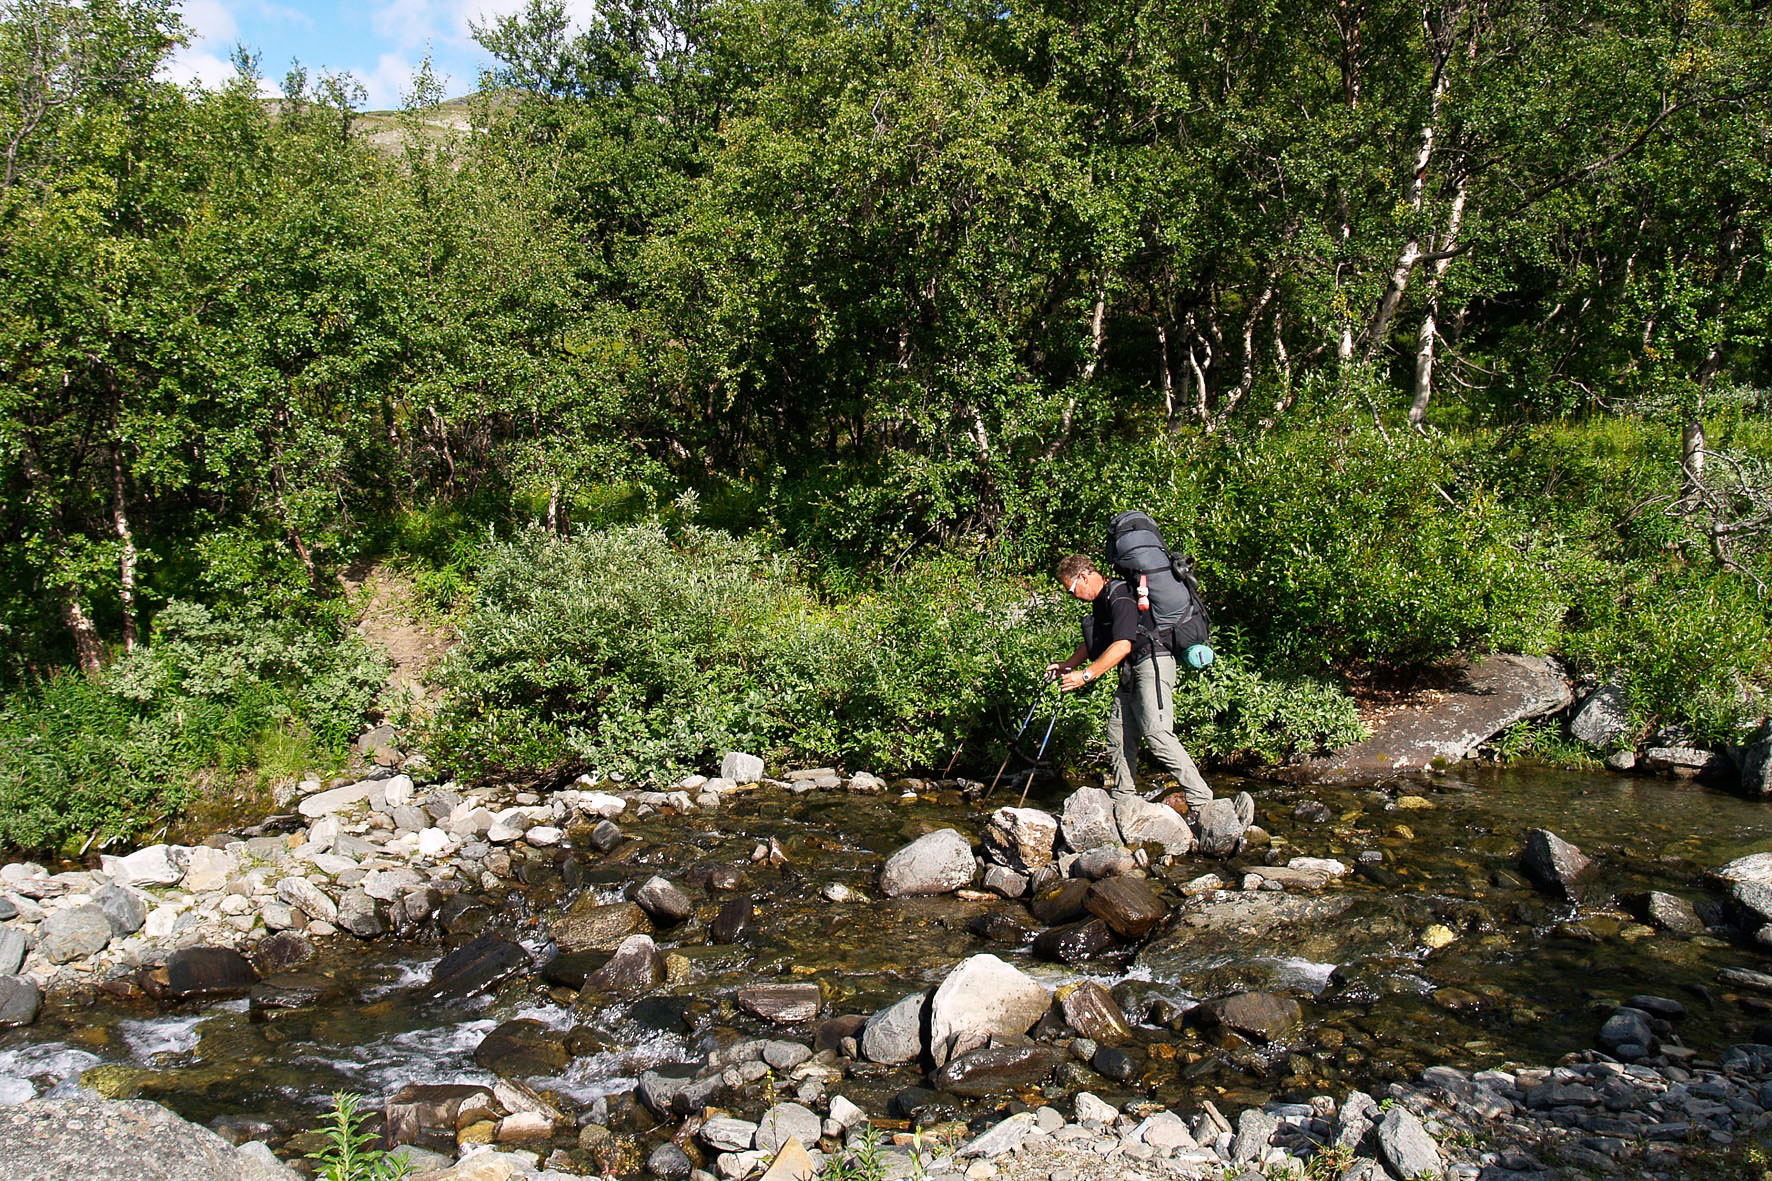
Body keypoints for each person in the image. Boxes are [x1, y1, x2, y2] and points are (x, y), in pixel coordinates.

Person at [1048, 553, 1251, 827]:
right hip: (1131, 670)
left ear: (1084, 577)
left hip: (1152, 663)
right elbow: (1096, 642)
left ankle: (1203, 800)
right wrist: (1067, 665)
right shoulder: (1102, 602)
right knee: (1118, 735)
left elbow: (1122, 645)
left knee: (1156, 733)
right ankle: (1124, 800)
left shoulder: (1119, 596)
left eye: (1071, 589)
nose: (1072, 596)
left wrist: (1085, 675)